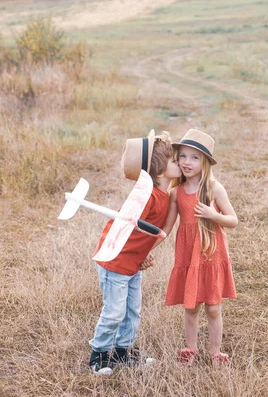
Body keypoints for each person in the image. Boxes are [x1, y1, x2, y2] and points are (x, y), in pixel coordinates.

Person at [88, 130, 181, 375]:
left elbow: (146, 233)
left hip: (132, 262)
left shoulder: (162, 194)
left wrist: (143, 253)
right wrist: (134, 252)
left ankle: (122, 352)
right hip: (115, 261)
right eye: (174, 160)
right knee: (114, 311)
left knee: (132, 311)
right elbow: (124, 227)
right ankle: (98, 355)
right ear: (160, 171)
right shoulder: (146, 195)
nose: (179, 162)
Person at [160, 128, 238, 368]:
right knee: (191, 307)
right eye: (182, 156)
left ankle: (216, 353)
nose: (187, 162)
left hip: (211, 253)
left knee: (213, 308)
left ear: (205, 162)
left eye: (194, 157)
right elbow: (167, 227)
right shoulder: (176, 192)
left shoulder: (214, 188)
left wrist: (213, 214)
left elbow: (233, 220)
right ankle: (190, 349)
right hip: (187, 254)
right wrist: (145, 247)